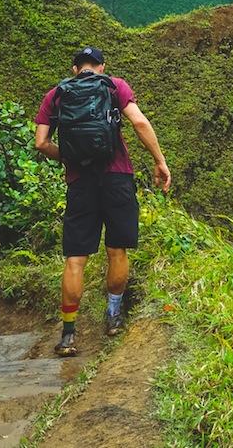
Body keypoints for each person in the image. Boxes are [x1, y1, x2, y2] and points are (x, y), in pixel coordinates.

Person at [34, 46, 171, 357]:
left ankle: (68, 333)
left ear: (74, 69)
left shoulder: (56, 95)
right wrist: (160, 161)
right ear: (101, 66)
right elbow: (139, 123)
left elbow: (41, 142)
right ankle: (112, 317)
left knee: (76, 258)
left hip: (80, 182)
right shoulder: (114, 85)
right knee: (116, 249)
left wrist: (70, 157)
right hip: (117, 178)